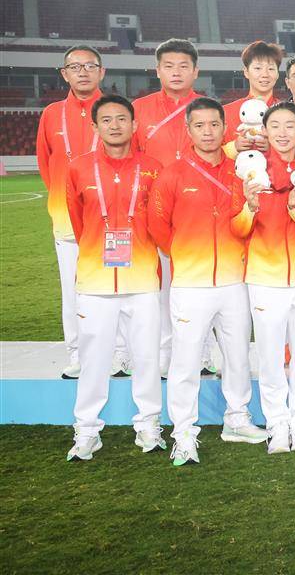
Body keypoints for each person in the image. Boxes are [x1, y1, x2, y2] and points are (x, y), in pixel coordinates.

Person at [148, 98, 267, 466]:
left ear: (224, 128)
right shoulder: (172, 175)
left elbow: (247, 224)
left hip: (234, 282)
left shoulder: (241, 172)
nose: (208, 132)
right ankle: (183, 431)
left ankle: (237, 418)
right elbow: (158, 226)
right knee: (185, 359)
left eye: (214, 124)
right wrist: (186, 255)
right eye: (199, 125)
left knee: (237, 354)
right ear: (189, 130)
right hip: (191, 284)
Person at [65, 95, 164, 461]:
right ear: (95, 127)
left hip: (142, 280)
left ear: (134, 125)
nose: (115, 125)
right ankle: (87, 430)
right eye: (106, 120)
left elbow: (159, 220)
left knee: (147, 356)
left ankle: (149, 424)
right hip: (95, 281)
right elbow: (79, 223)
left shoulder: (153, 168)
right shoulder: (78, 168)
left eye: (122, 119)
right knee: (93, 358)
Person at [230, 102, 295, 454]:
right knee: (269, 355)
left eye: (290, 125)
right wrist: (249, 209)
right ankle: (277, 423)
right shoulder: (249, 170)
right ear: (264, 131)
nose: (283, 133)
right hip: (265, 277)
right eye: (275, 126)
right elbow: (237, 229)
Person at [132, 38, 209, 376]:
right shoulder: (140, 109)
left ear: (196, 71)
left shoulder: (208, 108)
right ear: (157, 70)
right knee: (160, 288)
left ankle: (202, 355)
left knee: (202, 287)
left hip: (200, 214)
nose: (176, 72)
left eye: (183, 66)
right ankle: (165, 354)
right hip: (155, 212)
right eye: (169, 66)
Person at [37, 45, 113, 379]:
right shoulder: (52, 113)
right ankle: (78, 355)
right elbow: (45, 162)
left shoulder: (114, 110)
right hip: (67, 219)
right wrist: (63, 197)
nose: (83, 72)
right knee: (73, 290)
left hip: (112, 219)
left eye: (90, 65)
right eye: (75, 66)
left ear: (102, 71)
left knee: (116, 287)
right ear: (64, 74)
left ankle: (118, 355)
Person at [223, 41, 282, 156]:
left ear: (278, 74)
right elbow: (211, 154)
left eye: (271, 69)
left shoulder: (287, 112)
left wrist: (274, 148)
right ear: (246, 72)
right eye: (258, 68)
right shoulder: (226, 113)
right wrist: (233, 147)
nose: (265, 75)